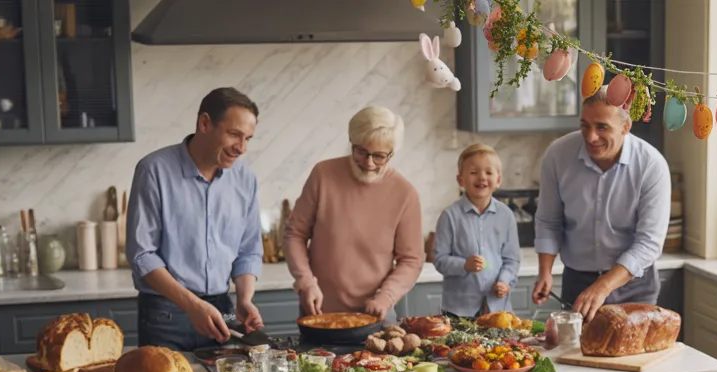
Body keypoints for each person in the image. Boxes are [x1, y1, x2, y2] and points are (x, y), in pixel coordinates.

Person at [127, 87, 265, 351]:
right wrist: (192, 305)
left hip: (222, 313)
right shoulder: (153, 171)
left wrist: (244, 299)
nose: (242, 148)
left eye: (248, 138)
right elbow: (142, 254)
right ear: (204, 123)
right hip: (165, 314)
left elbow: (248, 251)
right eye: (234, 134)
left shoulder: (245, 180)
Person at [531, 86, 671, 320]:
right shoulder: (558, 155)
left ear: (625, 127)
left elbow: (648, 242)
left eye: (602, 127)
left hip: (634, 284)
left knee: (632, 356)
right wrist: (545, 271)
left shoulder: (651, 165)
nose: (590, 136)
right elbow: (548, 221)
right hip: (577, 280)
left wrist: (603, 286)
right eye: (585, 125)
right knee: (576, 353)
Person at [284, 106, 425, 321]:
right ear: (351, 142)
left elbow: (412, 260)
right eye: (361, 151)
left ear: (392, 153)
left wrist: (386, 297)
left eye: (379, 156)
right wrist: (306, 282)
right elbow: (295, 234)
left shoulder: (405, 193)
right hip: (320, 313)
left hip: (376, 317)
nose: (368, 163)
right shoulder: (323, 175)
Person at [432, 143, 521, 316]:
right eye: (473, 172)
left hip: (497, 308)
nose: (481, 177)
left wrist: (504, 282)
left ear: (498, 180)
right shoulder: (449, 216)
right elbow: (439, 259)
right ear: (460, 180)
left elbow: (512, 259)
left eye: (488, 172)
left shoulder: (506, 215)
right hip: (459, 311)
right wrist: (464, 265)